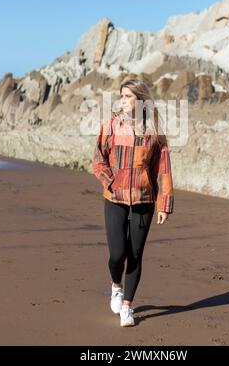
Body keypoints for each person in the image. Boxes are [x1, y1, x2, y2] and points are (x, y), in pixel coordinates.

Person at [92, 78, 174, 327]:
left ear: (140, 99)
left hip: (144, 199)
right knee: (117, 254)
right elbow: (98, 159)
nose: (124, 100)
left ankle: (127, 306)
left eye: (128, 96)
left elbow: (164, 169)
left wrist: (164, 203)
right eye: (122, 96)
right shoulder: (112, 126)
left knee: (135, 254)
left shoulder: (153, 131)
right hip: (115, 198)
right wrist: (110, 183)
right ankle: (116, 286)